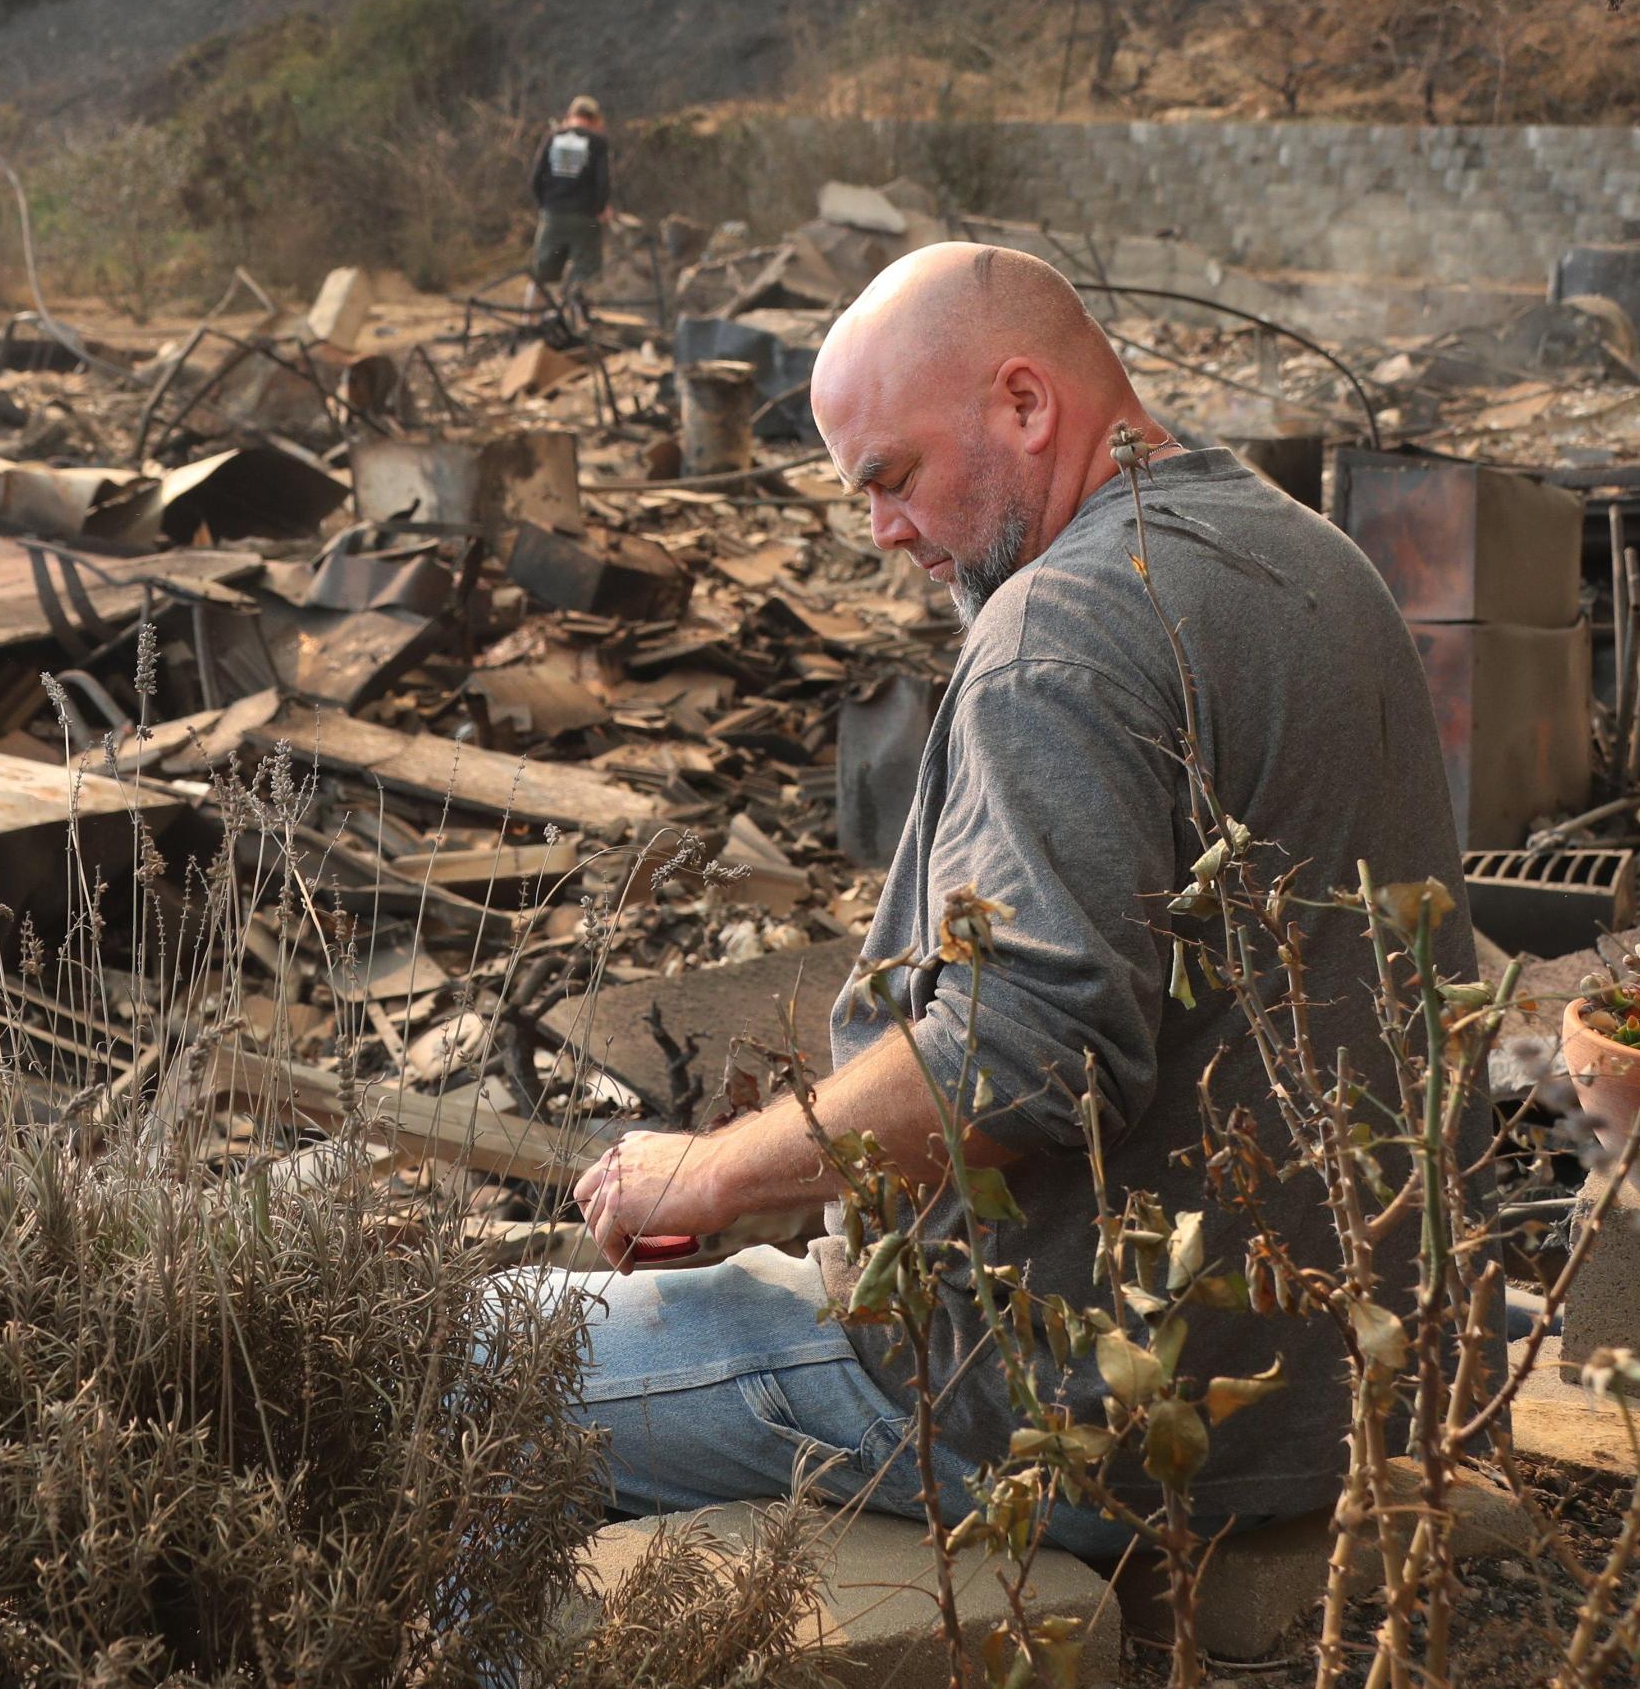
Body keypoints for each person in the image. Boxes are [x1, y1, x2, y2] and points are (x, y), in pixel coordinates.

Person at [551, 241, 1472, 1555]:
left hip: (1084, 1411)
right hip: (1348, 1380)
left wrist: (700, 1176)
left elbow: (1020, 1056)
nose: (880, 532)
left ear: (1026, 406)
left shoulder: (1063, 633)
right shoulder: (1305, 550)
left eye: (893, 477)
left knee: (475, 1364)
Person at [527, 97, 612, 317]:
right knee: (586, 271)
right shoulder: (597, 142)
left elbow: (535, 179)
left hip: (553, 217)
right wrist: (600, 208)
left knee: (542, 274)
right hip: (585, 220)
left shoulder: (552, 137)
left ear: (570, 115)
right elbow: (602, 183)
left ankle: (529, 320)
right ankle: (578, 321)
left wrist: (545, 206)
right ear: (594, 119)